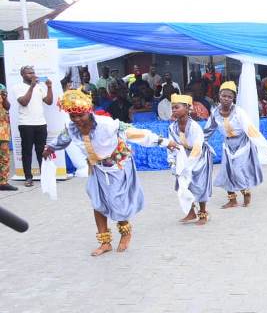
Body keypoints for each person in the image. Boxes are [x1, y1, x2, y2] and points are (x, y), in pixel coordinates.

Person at [43, 90, 167, 256]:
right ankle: (105, 242)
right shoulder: (72, 128)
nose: (77, 120)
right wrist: (49, 148)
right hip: (97, 167)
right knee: (97, 202)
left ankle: (125, 232)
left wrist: (162, 141)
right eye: (73, 116)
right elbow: (62, 140)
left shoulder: (107, 124)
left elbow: (133, 132)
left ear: (89, 110)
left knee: (117, 202)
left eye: (80, 115)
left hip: (117, 165)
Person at [204, 81, 267, 208]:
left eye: (230, 97)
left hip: (242, 143)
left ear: (233, 98)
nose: (226, 99)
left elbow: (251, 130)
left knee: (237, 169)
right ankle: (232, 200)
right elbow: (208, 130)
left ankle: (245, 192)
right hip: (228, 144)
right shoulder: (215, 112)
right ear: (219, 95)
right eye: (224, 96)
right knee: (226, 171)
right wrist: (197, 142)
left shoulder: (239, 112)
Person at [165, 94, 213, 225]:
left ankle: (203, 213)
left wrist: (188, 165)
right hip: (183, 155)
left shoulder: (194, 127)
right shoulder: (172, 127)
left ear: (187, 108)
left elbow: (197, 147)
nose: (173, 110)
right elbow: (171, 145)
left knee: (199, 184)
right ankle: (191, 212)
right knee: (184, 182)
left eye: (176, 107)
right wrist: (173, 161)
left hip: (199, 156)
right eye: (172, 108)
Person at [13, 65, 53, 186]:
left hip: (41, 123)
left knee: (42, 151)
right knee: (27, 151)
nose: (32, 74)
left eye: (33, 72)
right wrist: (31, 87)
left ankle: (44, 177)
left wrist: (49, 87)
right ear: (22, 75)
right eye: (29, 73)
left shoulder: (40, 87)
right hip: (26, 124)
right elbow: (24, 102)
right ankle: (28, 178)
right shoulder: (18, 87)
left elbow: (49, 102)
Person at [0, 85, 16, 191]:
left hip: (3, 129)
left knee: (4, 157)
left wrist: (5, 98)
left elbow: (7, 107)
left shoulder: (1, 87)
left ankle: (3, 183)